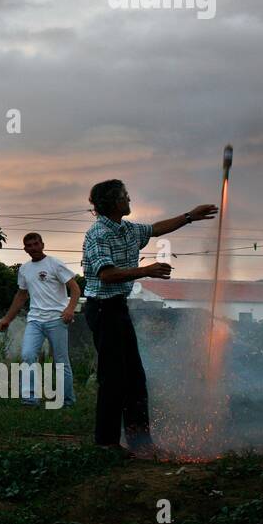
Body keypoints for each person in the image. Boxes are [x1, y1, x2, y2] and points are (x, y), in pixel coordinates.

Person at [81, 180, 216, 458]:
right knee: (113, 378)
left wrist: (190, 216)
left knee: (135, 379)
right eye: (124, 196)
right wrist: (146, 271)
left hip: (117, 308)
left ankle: (140, 442)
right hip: (103, 310)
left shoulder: (127, 229)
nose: (129, 199)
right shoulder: (98, 234)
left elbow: (156, 229)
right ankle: (106, 443)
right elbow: (106, 274)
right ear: (113, 202)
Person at [0, 233, 80, 407]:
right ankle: (30, 398)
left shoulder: (54, 263)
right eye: (29, 245)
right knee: (27, 355)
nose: (33, 248)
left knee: (60, 361)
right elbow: (21, 295)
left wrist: (70, 309)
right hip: (34, 320)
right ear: (25, 249)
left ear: (42, 244)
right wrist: (7, 319)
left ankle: (67, 400)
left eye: (36, 244)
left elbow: (75, 288)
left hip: (57, 319)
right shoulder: (25, 269)